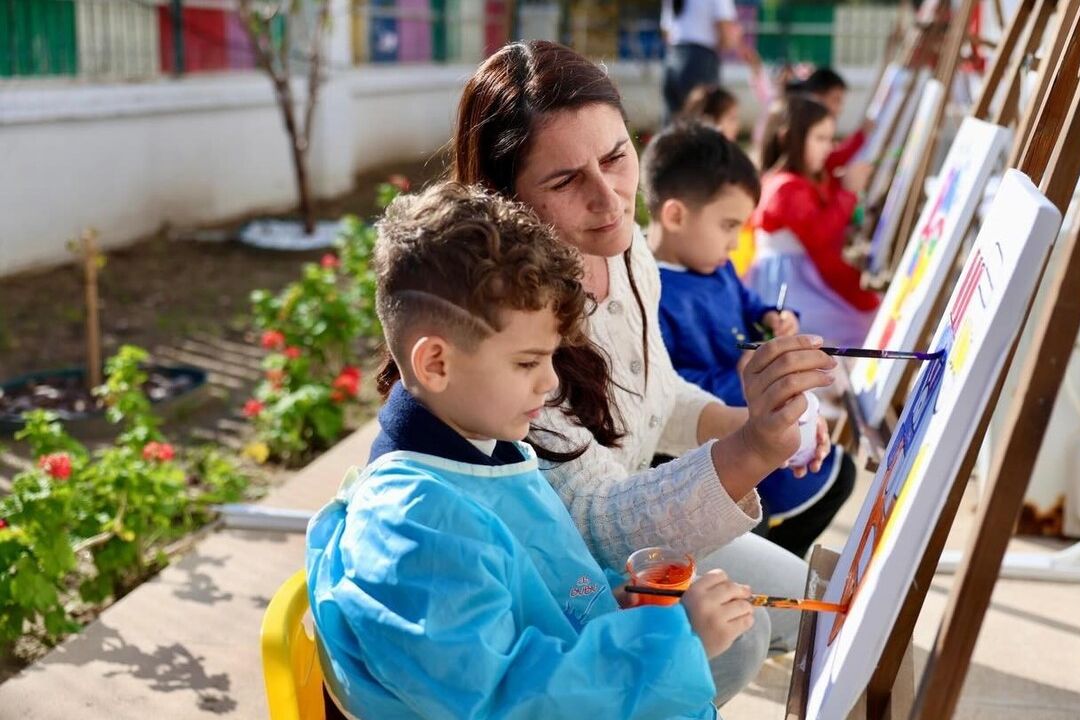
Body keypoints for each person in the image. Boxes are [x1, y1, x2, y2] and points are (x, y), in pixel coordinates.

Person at [380, 40, 839, 704]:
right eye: (565, 181)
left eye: (617, 157)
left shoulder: (624, 250)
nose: (610, 199)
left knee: (802, 603)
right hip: (570, 561)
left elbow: (657, 394)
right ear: (506, 199)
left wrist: (756, 422)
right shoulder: (508, 329)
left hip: (615, 544)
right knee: (737, 638)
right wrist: (755, 448)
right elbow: (595, 521)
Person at [307, 182, 756, 719]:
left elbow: (547, 598)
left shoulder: (483, 450)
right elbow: (508, 700)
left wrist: (619, 607)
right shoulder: (412, 527)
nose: (549, 383)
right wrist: (664, 647)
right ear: (436, 364)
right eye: (526, 362)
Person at [645, 122, 857, 557]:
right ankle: (777, 565)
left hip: (755, 419)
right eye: (727, 225)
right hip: (714, 447)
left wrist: (773, 316)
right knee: (756, 527)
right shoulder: (652, 291)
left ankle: (785, 560)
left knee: (840, 473)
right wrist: (738, 377)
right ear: (675, 215)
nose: (734, 241)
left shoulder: (716, 266)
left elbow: (746, 301)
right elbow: (667, 387)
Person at [748, 94, 881, 347]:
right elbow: (820, 235)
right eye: (821, 139)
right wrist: (848, 192)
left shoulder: (790, 180)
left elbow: (833, 161)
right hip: (789, 287)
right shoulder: (785, 187)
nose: (829, 147)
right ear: (789, 139)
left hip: (794, 279)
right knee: (850, 332)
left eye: (830, 139)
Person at [660, 0, 760, 125]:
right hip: (701, 61)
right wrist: (737, 41)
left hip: (672, 58)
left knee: (671, 127)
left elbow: (666, 33)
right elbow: (726, 36)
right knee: (702, 127)